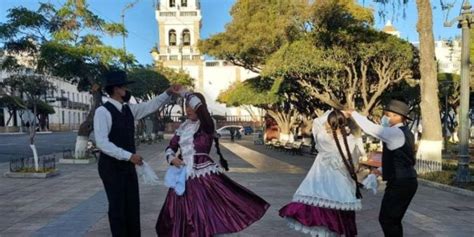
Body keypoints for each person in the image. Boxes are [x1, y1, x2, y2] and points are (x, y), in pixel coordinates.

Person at [156, 91, 269, 237]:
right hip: (183, 176)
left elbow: (203, 114)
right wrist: (172, 158)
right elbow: (171, 147)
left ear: (200, 107)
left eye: (191, 106)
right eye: (186, 107)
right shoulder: (183, 127)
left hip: (204, 176)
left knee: (206, 213)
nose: (188, 110)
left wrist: (186, 93)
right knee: (181, 215)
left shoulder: (207, 124)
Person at [94, 69, 180, 236]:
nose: (126, 90)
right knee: (117, 206)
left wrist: (167, 92)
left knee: (132, 205)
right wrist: (129, 156)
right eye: (124, 87)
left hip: (128, 165)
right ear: (116, 89)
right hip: (111, 167)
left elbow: (150, 105)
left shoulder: (129, 110)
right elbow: (102, 143)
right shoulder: (102, 112)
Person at [279, 110, 363, 237]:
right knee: (340, 219)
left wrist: (340, 112)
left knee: (321, 218)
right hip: (342, 189)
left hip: (319, 186)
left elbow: (317, 122)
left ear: (329, 123)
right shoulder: (350, 141)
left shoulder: (323, 138)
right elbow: (355, 164)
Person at [343, 99, 418, 237]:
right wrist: (381, 170)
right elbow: (401, 158)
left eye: (387, 115)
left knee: (388, 219)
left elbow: (372, 129)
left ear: (397, 116)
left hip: (401, 182)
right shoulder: (405, 132)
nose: (385, 118)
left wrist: (354, 114)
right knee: (392, 220)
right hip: (406, 180)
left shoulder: (395, 133)